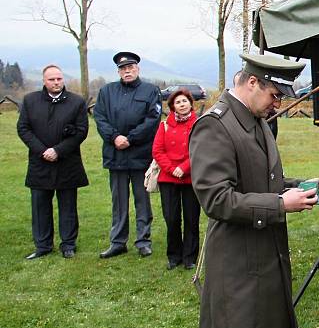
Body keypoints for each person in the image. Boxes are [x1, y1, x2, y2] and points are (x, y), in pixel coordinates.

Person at [189, 53, 319, 328]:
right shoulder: (214, 125)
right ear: (250, 83)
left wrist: (293, 187)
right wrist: (279, 203)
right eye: (272, 93)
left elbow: (258, 178)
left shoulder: (254, 121)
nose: (276, 103)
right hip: (235, 257)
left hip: (262, 253)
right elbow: (216, 197)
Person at [94, 51, 162, 258]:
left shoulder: (151, 91)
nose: (127, 71)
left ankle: (143, 240)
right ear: (118, 71)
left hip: (140, 155)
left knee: (142, 201)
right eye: (123, 68)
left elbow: (153, 120)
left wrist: (130, 139)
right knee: (119, 202)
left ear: (137, 68)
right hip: (115, 156)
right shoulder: (106, 91)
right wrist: (115, 137)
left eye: (130, 67)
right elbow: (100, 117)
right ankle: (118, 242)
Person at [17, 64, 89, 259]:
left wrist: (58, 150)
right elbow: (23, 129)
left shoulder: (76, 102)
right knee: (40, 206)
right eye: (52, 79)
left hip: (67, 162)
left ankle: (68, 245)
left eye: (59, 79)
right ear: (44, 81)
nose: (56, 82)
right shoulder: (30, 101)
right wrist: (42, 151)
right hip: (40, 163)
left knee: (68, 206)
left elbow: (81, 131)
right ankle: (42, 245)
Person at [151, 88, 201, 270]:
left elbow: (201, 149)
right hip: (168, 178)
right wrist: (172, 169)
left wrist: (184, 167)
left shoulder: (199, 124)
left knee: (191, 218)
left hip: (190, 178)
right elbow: (157, 150)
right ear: (172, 106)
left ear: (190, 103)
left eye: (185, 101)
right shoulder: (164, 125)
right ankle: (174, 255)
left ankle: (190, 257)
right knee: (171, 218)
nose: (182, 104)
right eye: (178, 102)